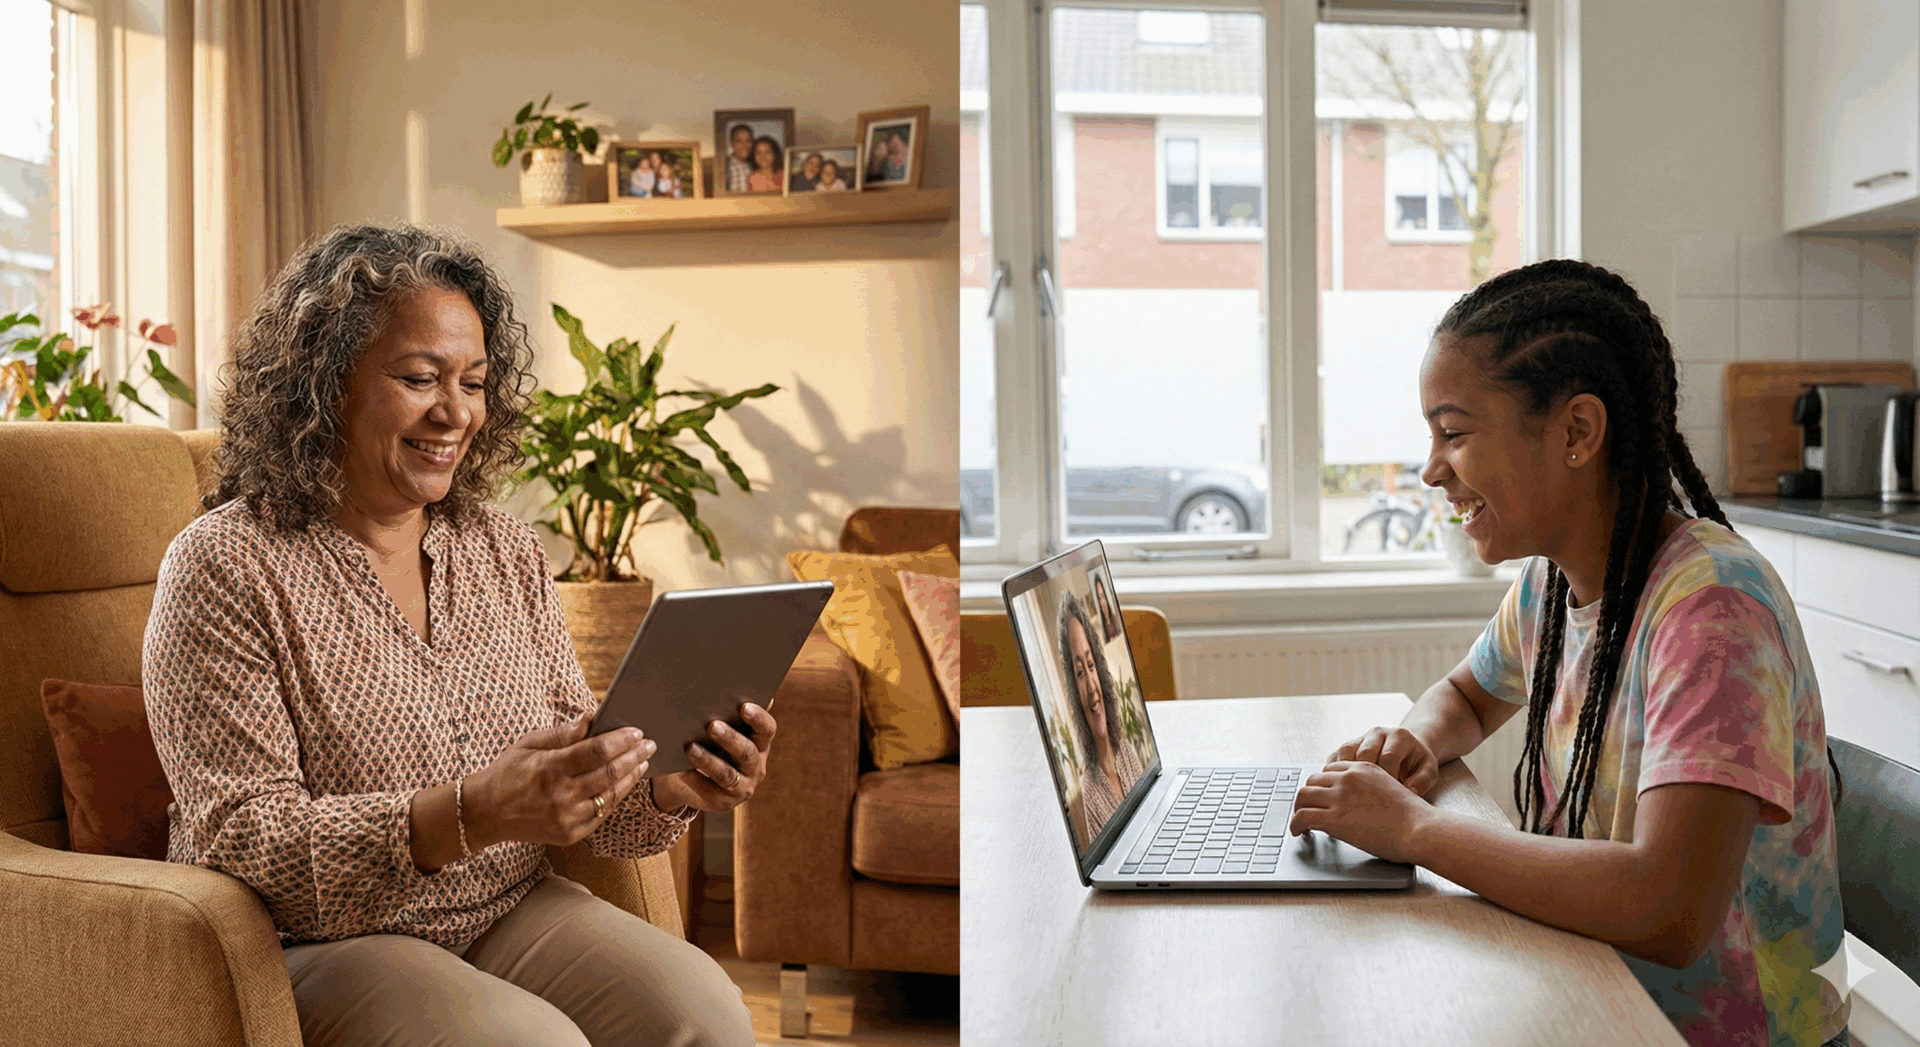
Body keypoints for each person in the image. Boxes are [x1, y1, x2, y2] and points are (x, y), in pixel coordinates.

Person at [144, 222, 763, 1047]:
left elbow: (579, 780)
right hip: (319, 939)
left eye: (473, 382)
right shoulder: (224, 566)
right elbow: (246, 842)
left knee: (704, 1012)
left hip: (507, 905)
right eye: (419, 378)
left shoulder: (504, 549)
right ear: (323, 383)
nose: (456, 411)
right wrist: (467, 813)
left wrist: (671, 786)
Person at [1289, 259, 1850, 1047]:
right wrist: (1415, 738)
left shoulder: (1714, 610)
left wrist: (1414, 830)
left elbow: (1668, 906)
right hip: (1602, 994)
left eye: (1454, 433)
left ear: (1578, 432)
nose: (1431, 469)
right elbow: (1468, 693)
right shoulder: (1552, 585)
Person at [1059, 594, 1142, 840]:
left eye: (1091, 665)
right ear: (1074, 693)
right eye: (1080, 672)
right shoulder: (1090, 790)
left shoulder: (1125, 749)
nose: (1092, 686)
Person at [724, 123, 754, 193]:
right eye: (739, 141)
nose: (744, 145)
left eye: (748, 141)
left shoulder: (755, 165)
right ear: (731, 143)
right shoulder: (725, 166)